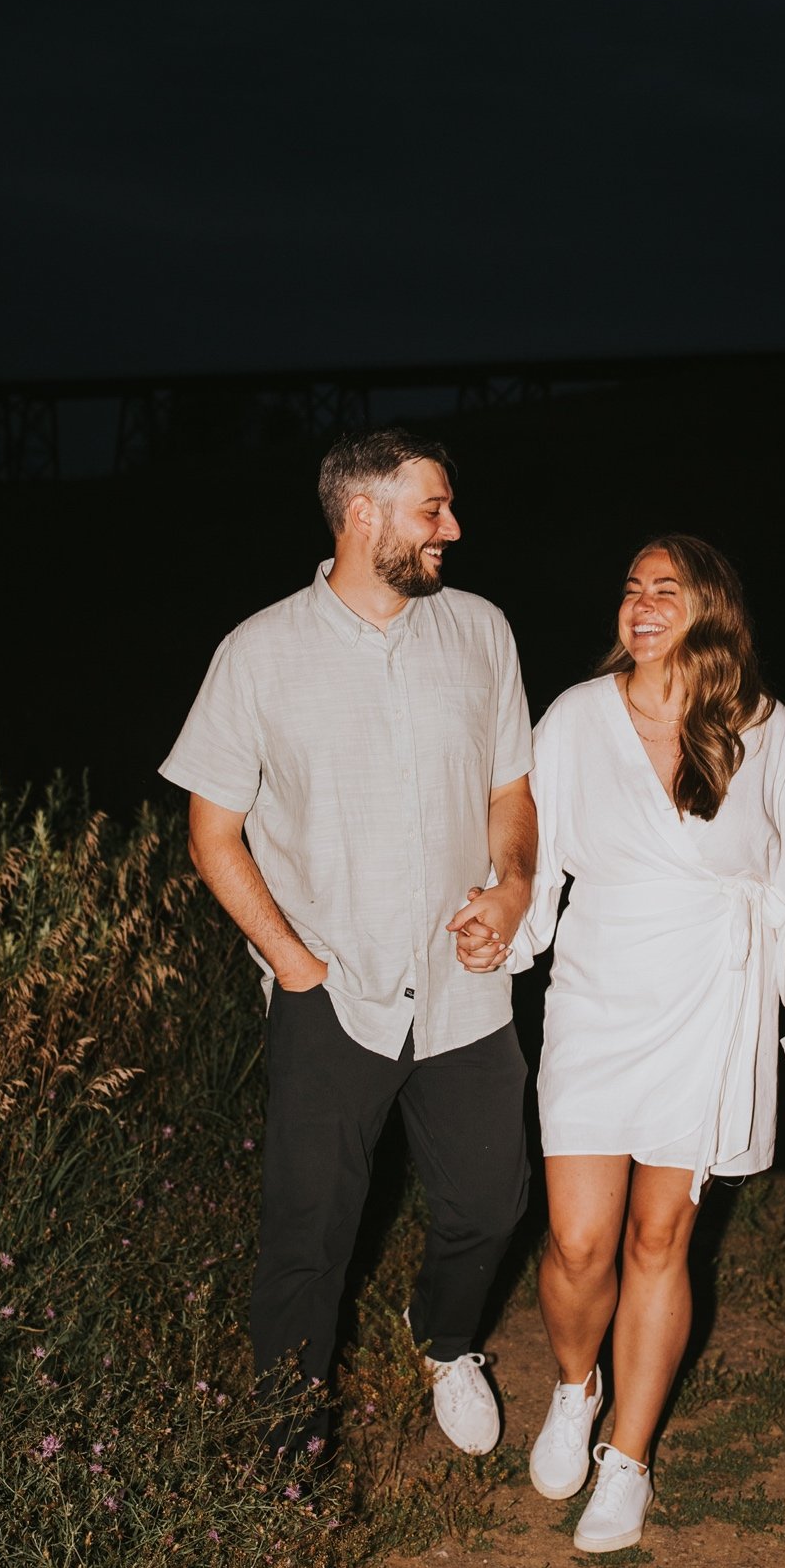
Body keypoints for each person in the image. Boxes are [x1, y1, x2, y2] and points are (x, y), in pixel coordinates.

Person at [455, 535, 785, 1553]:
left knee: (660, 1238)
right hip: (600, 998)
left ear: (711, 610)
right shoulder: (574, 718)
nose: (641, 604)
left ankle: (630, 1459)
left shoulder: (764, 731)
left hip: (712, 1002)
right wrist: (501, 917)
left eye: (667, 589)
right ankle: (575, 1384)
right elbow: (534, 859)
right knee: (577, 1242)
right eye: (631, 588)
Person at [160, 428, 536, 1470]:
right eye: (434, 509)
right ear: (362, 515)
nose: (453, 528)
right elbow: (212, 832)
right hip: (333, 987)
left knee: (491, 1201)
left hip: (466, 983)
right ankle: (286, 1458)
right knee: (307, 1239)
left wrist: (509, 888)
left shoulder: (482, 631)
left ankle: (445, 1337)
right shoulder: (258, 653)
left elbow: (512, 785)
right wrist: (292, 961)